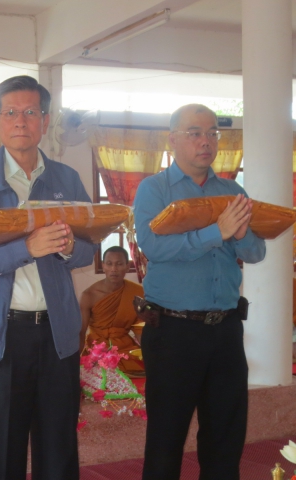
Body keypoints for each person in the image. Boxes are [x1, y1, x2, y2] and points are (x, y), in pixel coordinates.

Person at [0, 75, 97, 480]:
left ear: (45, 121)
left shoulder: (66, 179)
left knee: (58, 453)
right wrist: (26, 248)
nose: (20, 121)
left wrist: (68, 246)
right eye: (11, 112)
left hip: (56, 335)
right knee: (1, 456)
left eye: (30, 112)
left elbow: (89, 248)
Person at [133, 103, 266, 479]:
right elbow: (154, 246)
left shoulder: (232, 191)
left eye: (212, 133)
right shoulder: (155, 189)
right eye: (194, 133)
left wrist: (241, 234)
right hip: (173, 331)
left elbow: (256, 252)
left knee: (225, 438)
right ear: (173, 139)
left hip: (226, 330)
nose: (205, 141)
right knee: (166, 438)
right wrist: (216, 232)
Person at [79, 245, 144, 374]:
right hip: (96, 349)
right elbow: (80, 333)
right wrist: (74, 363)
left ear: (127, 266)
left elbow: (140, 330)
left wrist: (150, 354)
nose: (114, 269)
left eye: (119, 264)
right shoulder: (89, 295)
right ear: (103, 266)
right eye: (109, 264)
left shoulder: (137, 293)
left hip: (124, 348)